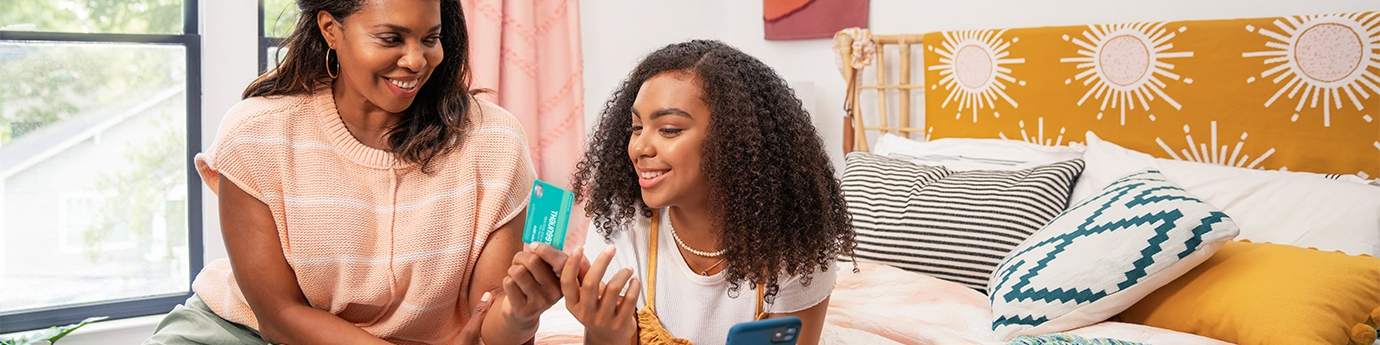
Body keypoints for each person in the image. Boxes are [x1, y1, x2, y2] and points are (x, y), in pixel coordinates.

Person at [143, 0, 562, 344]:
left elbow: (484, 326)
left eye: (431, 39)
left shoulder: (493, 142)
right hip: (248, 334)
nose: (416, 60)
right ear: (330, 29)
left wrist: (521, 314)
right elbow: (279, 316)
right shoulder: (257, 135)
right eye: (390, 38)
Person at [560, 39, 857, 345]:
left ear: (733, 140)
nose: (639, 147)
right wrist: (606, 334)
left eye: (669, 129)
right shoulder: (620, 225)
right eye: (636, 127)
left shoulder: (797, 247)